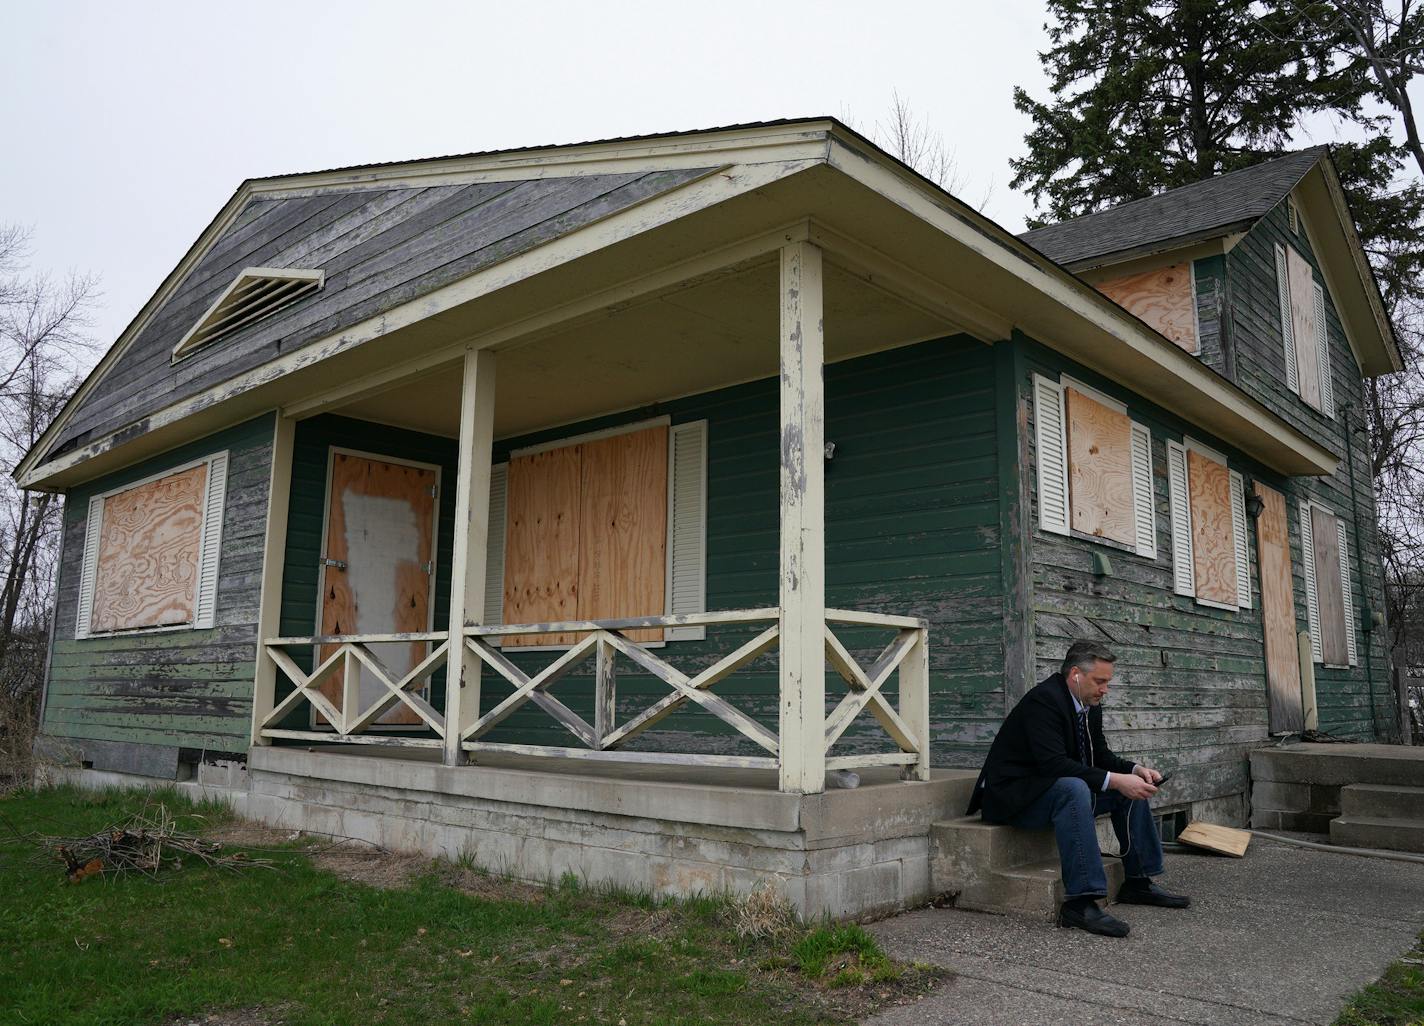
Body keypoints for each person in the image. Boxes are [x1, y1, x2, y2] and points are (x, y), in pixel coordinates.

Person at [966, 640, 1191, 937]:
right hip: (1014, 798)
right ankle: (1080, 903)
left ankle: (1138, 881)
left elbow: (1101, 756)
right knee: (1076, 788)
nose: (1105, 689)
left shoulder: (1088, 704)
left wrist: (1134, 771)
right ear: (1075, 674)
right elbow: (1053, 765)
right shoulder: (1043, 701)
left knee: (1131, 788)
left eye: (1108, 682)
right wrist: (1114, 779)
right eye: (1100, 681)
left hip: (1051, 792)